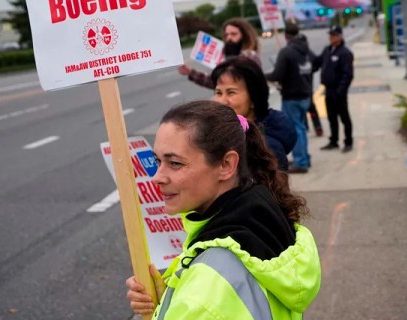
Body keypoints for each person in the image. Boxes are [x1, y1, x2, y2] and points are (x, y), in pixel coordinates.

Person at [125, 101, 322, 319]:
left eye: (175, 163)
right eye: (157, 160)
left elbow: (208, 302)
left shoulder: (204, 290)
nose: (157, 177)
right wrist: (167, 301)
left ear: (226, 165)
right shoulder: (264, 217)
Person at [212, 56, 297, 171]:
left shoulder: (267, 149)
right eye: (218, 92)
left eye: (231, 92)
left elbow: (275, 188)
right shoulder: (224, 131)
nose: (222, 101)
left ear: (253, 98)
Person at [264, 23, 314, 174]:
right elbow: (315, 64)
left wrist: (262, 76)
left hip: (292, 96)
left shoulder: (286, 52)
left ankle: (301, 162)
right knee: (301, 127)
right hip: (305, 94)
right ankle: (304, 157)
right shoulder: (306, 50)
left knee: (296, 129)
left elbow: (277, 75)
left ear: (286, 36)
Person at [178, 18, 261, 89]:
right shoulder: (229, 56)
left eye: (234, 34)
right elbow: (216, 83)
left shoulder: (249, 56)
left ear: (245, 36)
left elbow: (226, 83)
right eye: (226, 35)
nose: (229, 38)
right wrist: (190, 72)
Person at [314, 25, 354, 152]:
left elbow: (348, 74)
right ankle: (334, 140)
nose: (331, 37)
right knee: (331, 117)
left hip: (339, 91)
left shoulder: (345, 53)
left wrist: (341, 90)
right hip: (328, 90)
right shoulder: (328, 50)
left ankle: (348, 141)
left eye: (334, 35)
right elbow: (317, 62)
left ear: (340, 36)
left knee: (344, 117)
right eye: (330, 35)